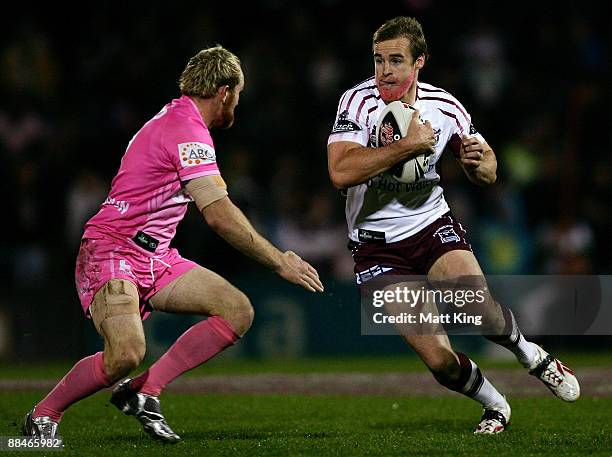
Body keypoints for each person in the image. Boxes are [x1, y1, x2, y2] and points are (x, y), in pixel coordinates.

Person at [23, 45, 324, 443]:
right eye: (238, 94)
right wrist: (278, 260)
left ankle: (143, 390)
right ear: (224, 91)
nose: (237, 102)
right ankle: (42, 415)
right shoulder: (187, 131)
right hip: (112, 249)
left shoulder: (177, 119)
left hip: (155, 256)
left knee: (236, 310)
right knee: (126, 354)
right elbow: (218, 214)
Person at [327, 17, 579, 434]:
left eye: (396, 60)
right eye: (378, 60)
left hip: (431, 225)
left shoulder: (444, 107)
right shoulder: (356, 103)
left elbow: (489, 169)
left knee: (479, 311)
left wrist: (480, 164)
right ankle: (496, 405)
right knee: (441, 364)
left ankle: (531, 356)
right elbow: (339, 172)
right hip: (377, 248)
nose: (385, 71)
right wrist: (409, 145)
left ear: (419, 62)